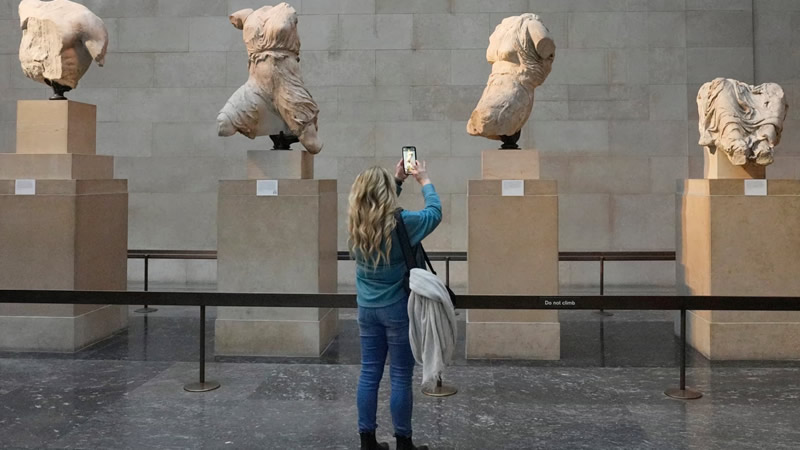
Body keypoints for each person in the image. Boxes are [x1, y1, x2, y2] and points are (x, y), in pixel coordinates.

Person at [348, 159, 442, 450]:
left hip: (366, 309)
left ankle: (367, 441)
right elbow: (434, 212)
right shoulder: (405, 223)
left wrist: (396, 181)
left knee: (369, 372)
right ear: (386, 193)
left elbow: (379, 210)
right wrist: (423, 179)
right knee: (401, 375)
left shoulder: (356, 225)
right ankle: (403, 441)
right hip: (397, 309)